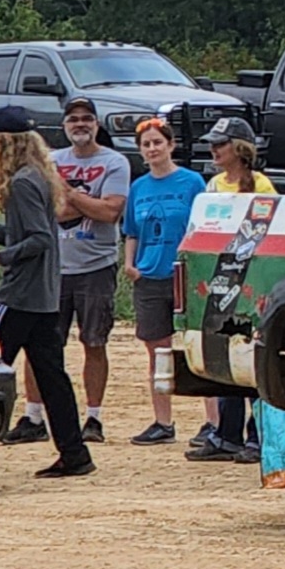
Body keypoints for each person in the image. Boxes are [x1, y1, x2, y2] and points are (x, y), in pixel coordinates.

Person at [0, 106, 93, 479]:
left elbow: (38, 240)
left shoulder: (23, 183)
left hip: (19, 296)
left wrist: (1, 258)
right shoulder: (38, 177)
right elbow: (22, 235)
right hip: (43, 297)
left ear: (4, 144)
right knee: (52, 376)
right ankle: (74, 453)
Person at [0, 95, 128, 448]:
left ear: (97, 124)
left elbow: (110, 213)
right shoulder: (51, 161)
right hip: (54, 269)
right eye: (73, 120)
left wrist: (70, 194)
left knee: (93, 340)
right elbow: (51, 215)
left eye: (87, 118)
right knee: (39, 344)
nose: (80, 124)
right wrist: (87, 202)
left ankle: (94, 418)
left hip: (96, 264)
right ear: (64, 126)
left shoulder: (114, 162)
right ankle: (33, 416)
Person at [188, 115, 273, 463]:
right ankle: (227, 434)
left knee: (249, 357)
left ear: (239, 149)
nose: (213, 149)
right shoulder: (213, 186)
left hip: (249, 282)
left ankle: (256, 436)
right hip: (221, 281)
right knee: (222, 354)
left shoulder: (262, 187)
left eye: (220, 144)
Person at [121, 118, 206, 447]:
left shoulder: (191, 182)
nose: (153, 149)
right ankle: (162, 422)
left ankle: (211, 422)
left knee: (196, 346)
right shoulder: (138, 188)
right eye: (146, 144)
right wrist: (130, 265)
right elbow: (131, 231)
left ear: (170, 145)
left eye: (158, 142)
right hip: (149, 276)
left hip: (183, 275)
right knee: (157, 351)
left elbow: (202, 224)